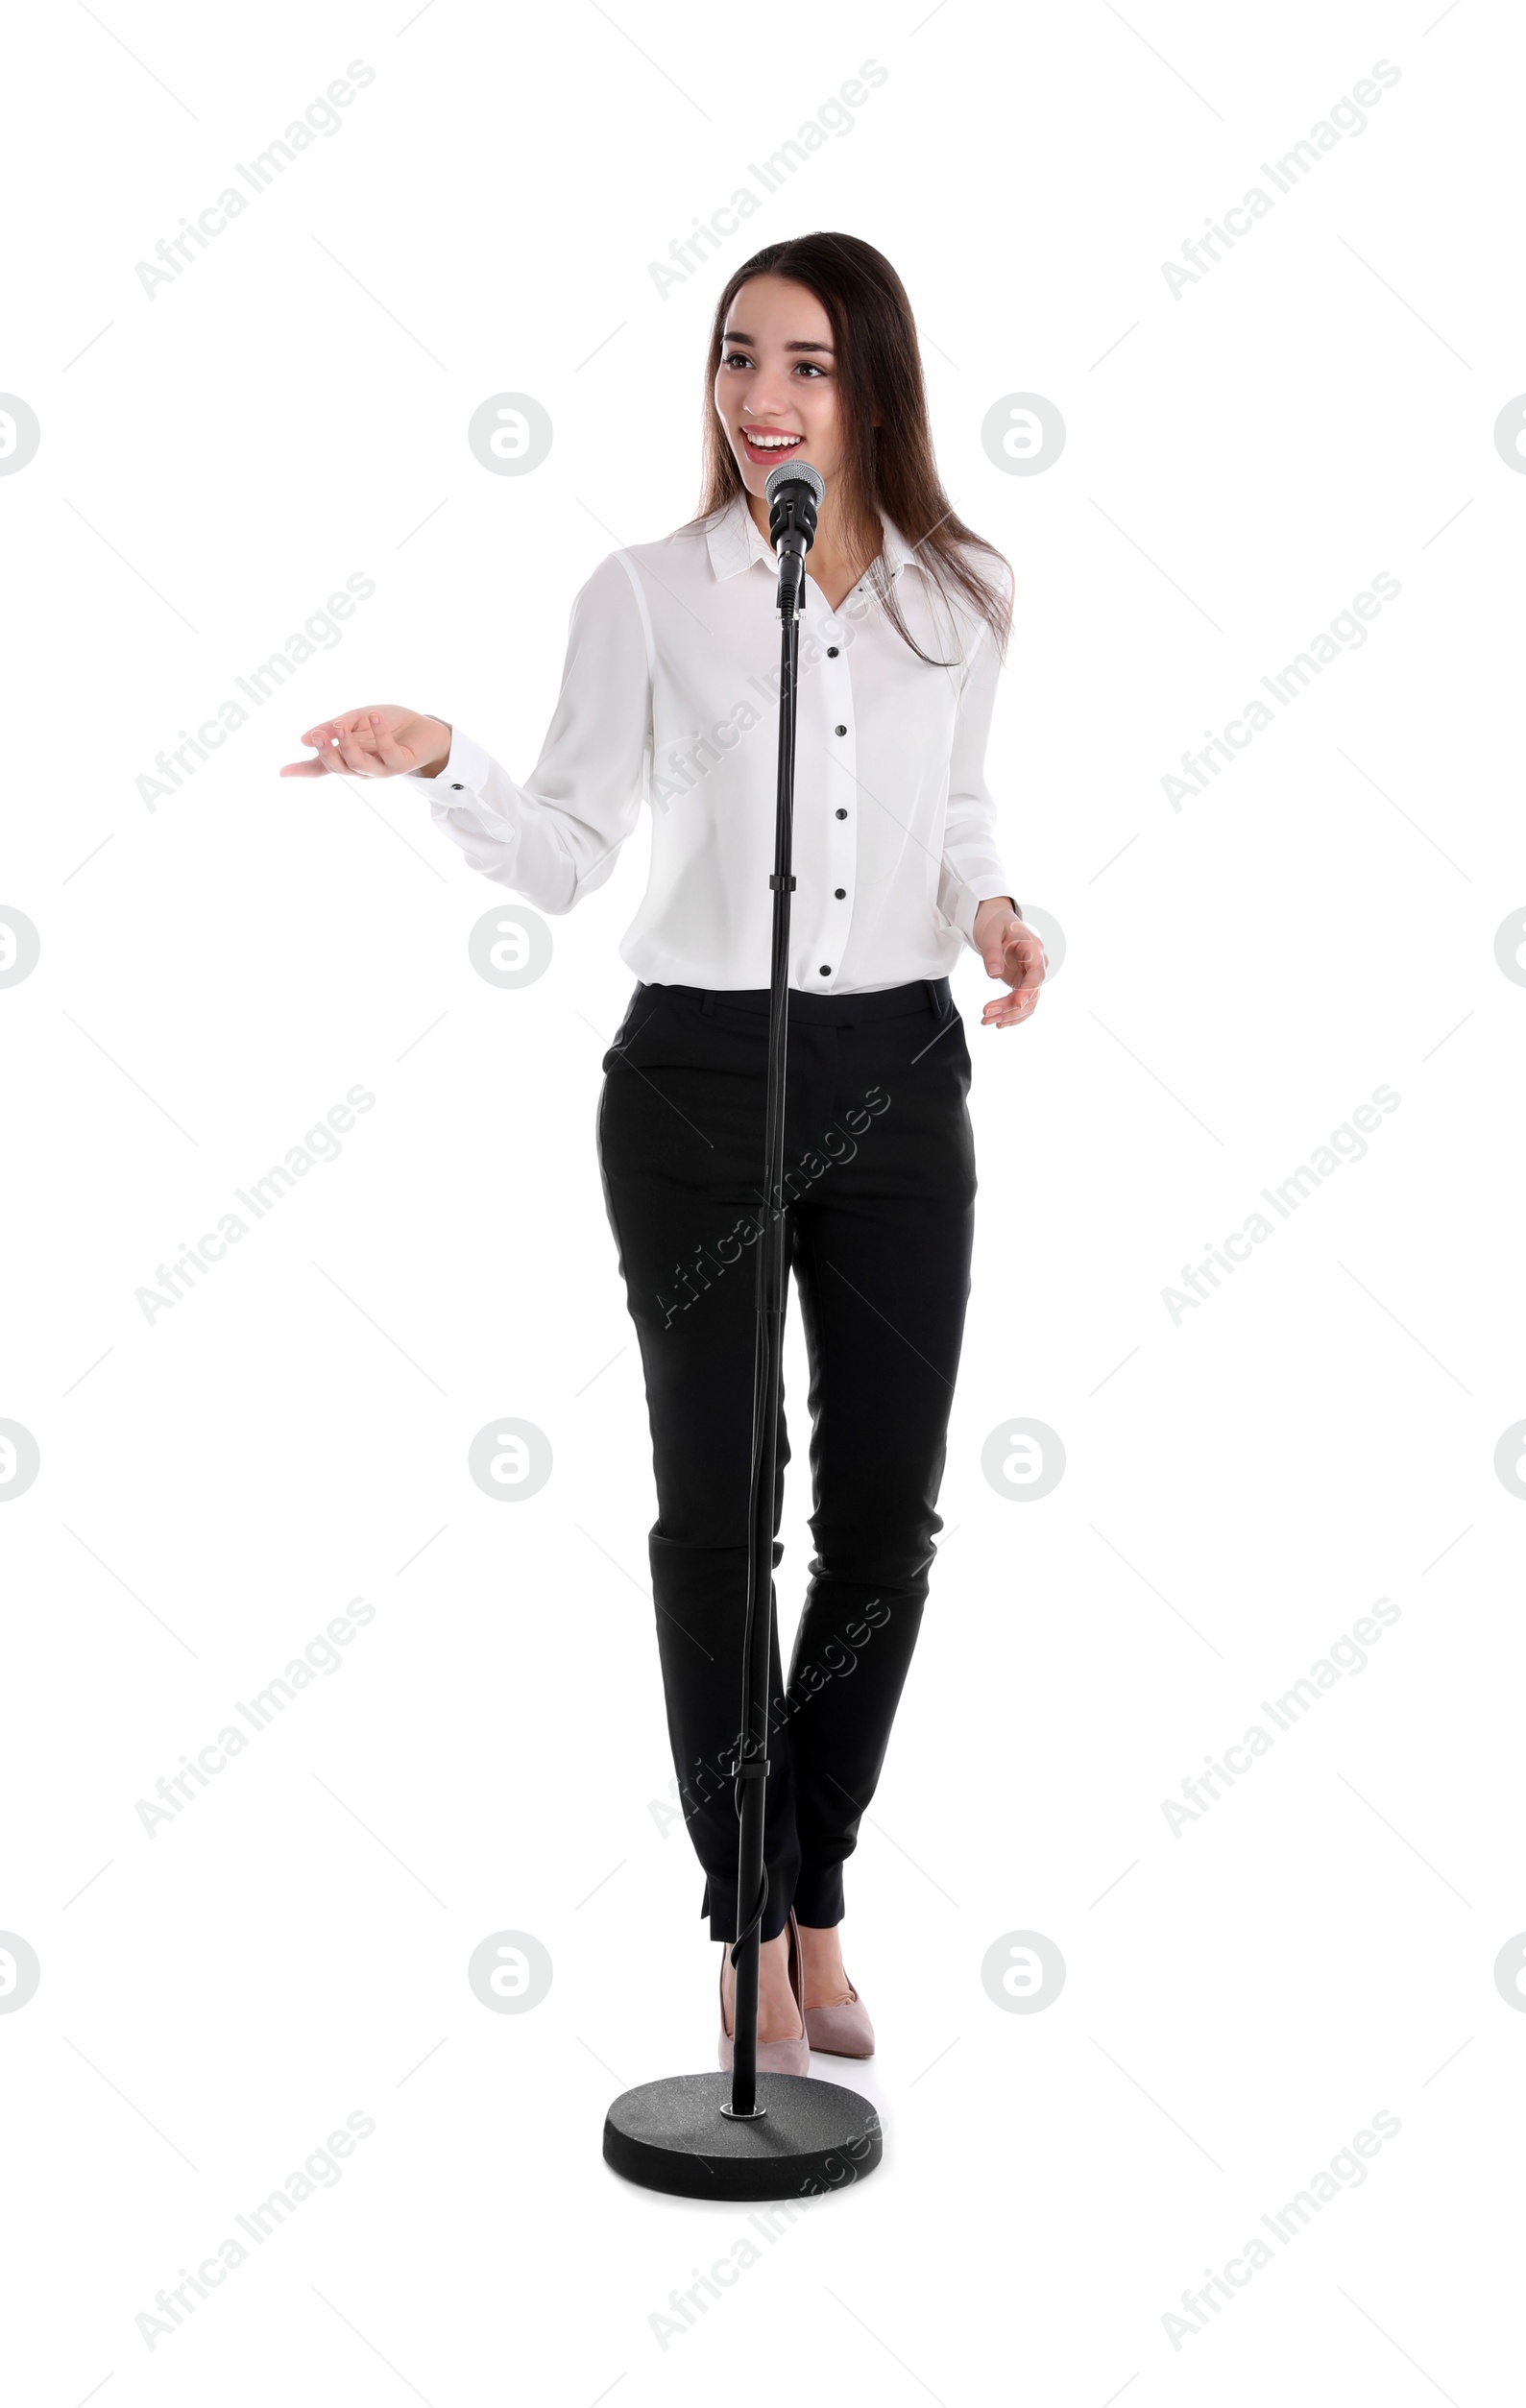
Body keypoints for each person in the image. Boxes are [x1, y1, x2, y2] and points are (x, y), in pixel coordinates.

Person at [280, 229, 1047, 2076]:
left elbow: (952, 807)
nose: (762, 400)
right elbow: (562, 850)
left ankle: (815, 1888)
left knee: (882, 1526)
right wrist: (446, 758)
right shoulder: (647, 591)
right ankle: (742, 1932)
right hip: (698, 1084)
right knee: (723, 1515)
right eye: (735, 361)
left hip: (898, 1075)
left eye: (804, 364)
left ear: (875, 384)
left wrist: (997, 903)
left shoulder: (967, 589)